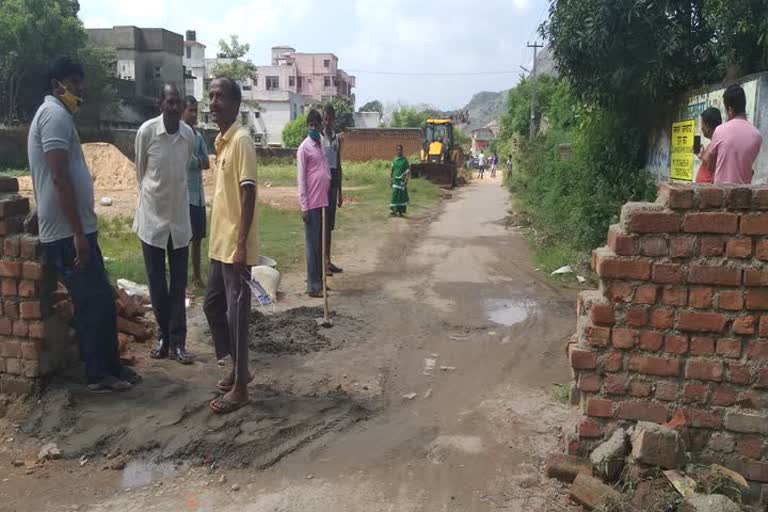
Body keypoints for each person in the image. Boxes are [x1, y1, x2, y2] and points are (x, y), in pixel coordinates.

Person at [28, 56, 140, 391]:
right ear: (56, 85)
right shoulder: (52, 115)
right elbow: (59, 177)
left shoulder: (58, 115)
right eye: (73, 81)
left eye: (79, 80)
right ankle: (99, 375)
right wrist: (77, 233)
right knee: (92, 304)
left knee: (102, 300)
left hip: (75, 230)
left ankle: (112, 368)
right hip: (67, 234)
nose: (79, 87)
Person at [204, 77, 259, 414]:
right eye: (210, 96)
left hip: (236, 248)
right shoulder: (222, 142)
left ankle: (241, 388)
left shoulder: (242, 141)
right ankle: (240, 368)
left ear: (236, 103)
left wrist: (241, 245)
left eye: (219, 97)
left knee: (236, 315)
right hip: (218, 245)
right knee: (213, 306)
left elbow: (249, 193)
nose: (212, 103)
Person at [134, 84, 195, 365]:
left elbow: (183, 173)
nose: (174, 107)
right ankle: (163, 338)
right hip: (153, 222)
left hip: (179, 223)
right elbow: (140, 173)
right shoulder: (147, 132)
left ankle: (179, 342)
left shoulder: (188, 136)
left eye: (178, 102)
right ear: (161, 103)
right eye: (169, 101)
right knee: (157, 284)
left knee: (178, 284)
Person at [296, 109, 331, 298]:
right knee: (312, 246)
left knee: (320, 245)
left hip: (323, 201)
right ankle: (313, 285)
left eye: (317, 125)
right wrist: (304, 206)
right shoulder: (304, 148)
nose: (314, 128)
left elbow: (325, 169)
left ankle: (321, 282)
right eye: (311, 125)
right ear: (307, 126)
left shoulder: (321, 145)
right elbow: (301, 179)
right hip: (311, 204)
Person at [703, 84, 763, 184]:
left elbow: (710, 165)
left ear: (729, 110)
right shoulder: (757, 135)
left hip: (722, 193)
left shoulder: (720, 130)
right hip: (744, 194)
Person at [181, 96, 210, 287]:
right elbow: (185, 160)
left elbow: (206, 162)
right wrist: (197, 161)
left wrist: (197, 161)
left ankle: (197, 276)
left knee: (198, 238)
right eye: (190, 110)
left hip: (199, 197)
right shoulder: (180, 135)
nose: (194, 114)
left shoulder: (198, 136)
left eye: (196, 111)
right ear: (183, 111)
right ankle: (182, 277)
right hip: (185, 197)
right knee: (184, 240)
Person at [321, 104, 343, 276]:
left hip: (334, 183)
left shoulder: (336, 138)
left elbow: (339, 163)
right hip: (322, 184)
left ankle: (328, 259)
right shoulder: (318, 138)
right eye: (325, 118)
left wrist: (341, 192)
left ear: (334, 119)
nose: (327, 122)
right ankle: (322, 262)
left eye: (330, 118)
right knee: (322, 224)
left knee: (330, 225)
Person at [695, 107, 722, 184]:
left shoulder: (717, 145)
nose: (701, 128)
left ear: (707, 126)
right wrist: (701, 156)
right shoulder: (712, 144)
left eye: (702, 124)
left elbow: (714, 169)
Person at [390, 145, 410, 217]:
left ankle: (401, 212)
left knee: (402, 196)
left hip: (402, 180)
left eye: (400, 149)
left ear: (402, 150)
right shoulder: (394, 160)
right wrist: (390, 179)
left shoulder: (404, 160)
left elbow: (407, 171)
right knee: (395, 195)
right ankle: (394, 211)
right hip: (395, 180)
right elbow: (392, 170)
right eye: (397, 149)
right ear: (396, 150)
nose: (399, 151)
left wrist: (406, 180)